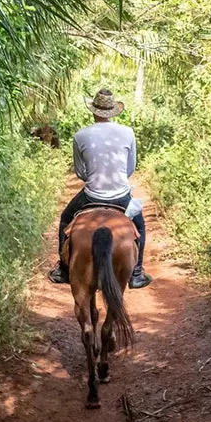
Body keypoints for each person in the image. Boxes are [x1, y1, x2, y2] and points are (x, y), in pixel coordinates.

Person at [49, 88, 151, 288]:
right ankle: (137, 273)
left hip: (91, 195)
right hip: (121, 195)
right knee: (139, 225)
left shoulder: (80, 136)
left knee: (65, 218)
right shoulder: (128, 132)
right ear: (113, 111)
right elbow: (131, 167)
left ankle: (63, 269)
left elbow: (80, 173)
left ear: (93, 110)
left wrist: (95, 179)